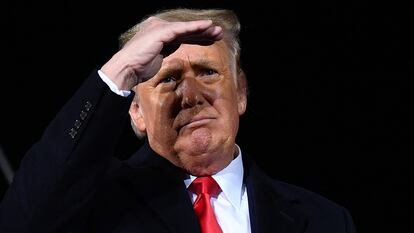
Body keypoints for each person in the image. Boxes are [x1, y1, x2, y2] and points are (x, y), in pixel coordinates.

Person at [0, 8, 356, 233]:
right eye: (168, 79)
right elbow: (23, 222)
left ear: (242, 93)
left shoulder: (325, 219)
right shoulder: (93, 204)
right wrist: (122, 68)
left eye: (208, 72)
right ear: (136, 112)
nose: (191, 94)